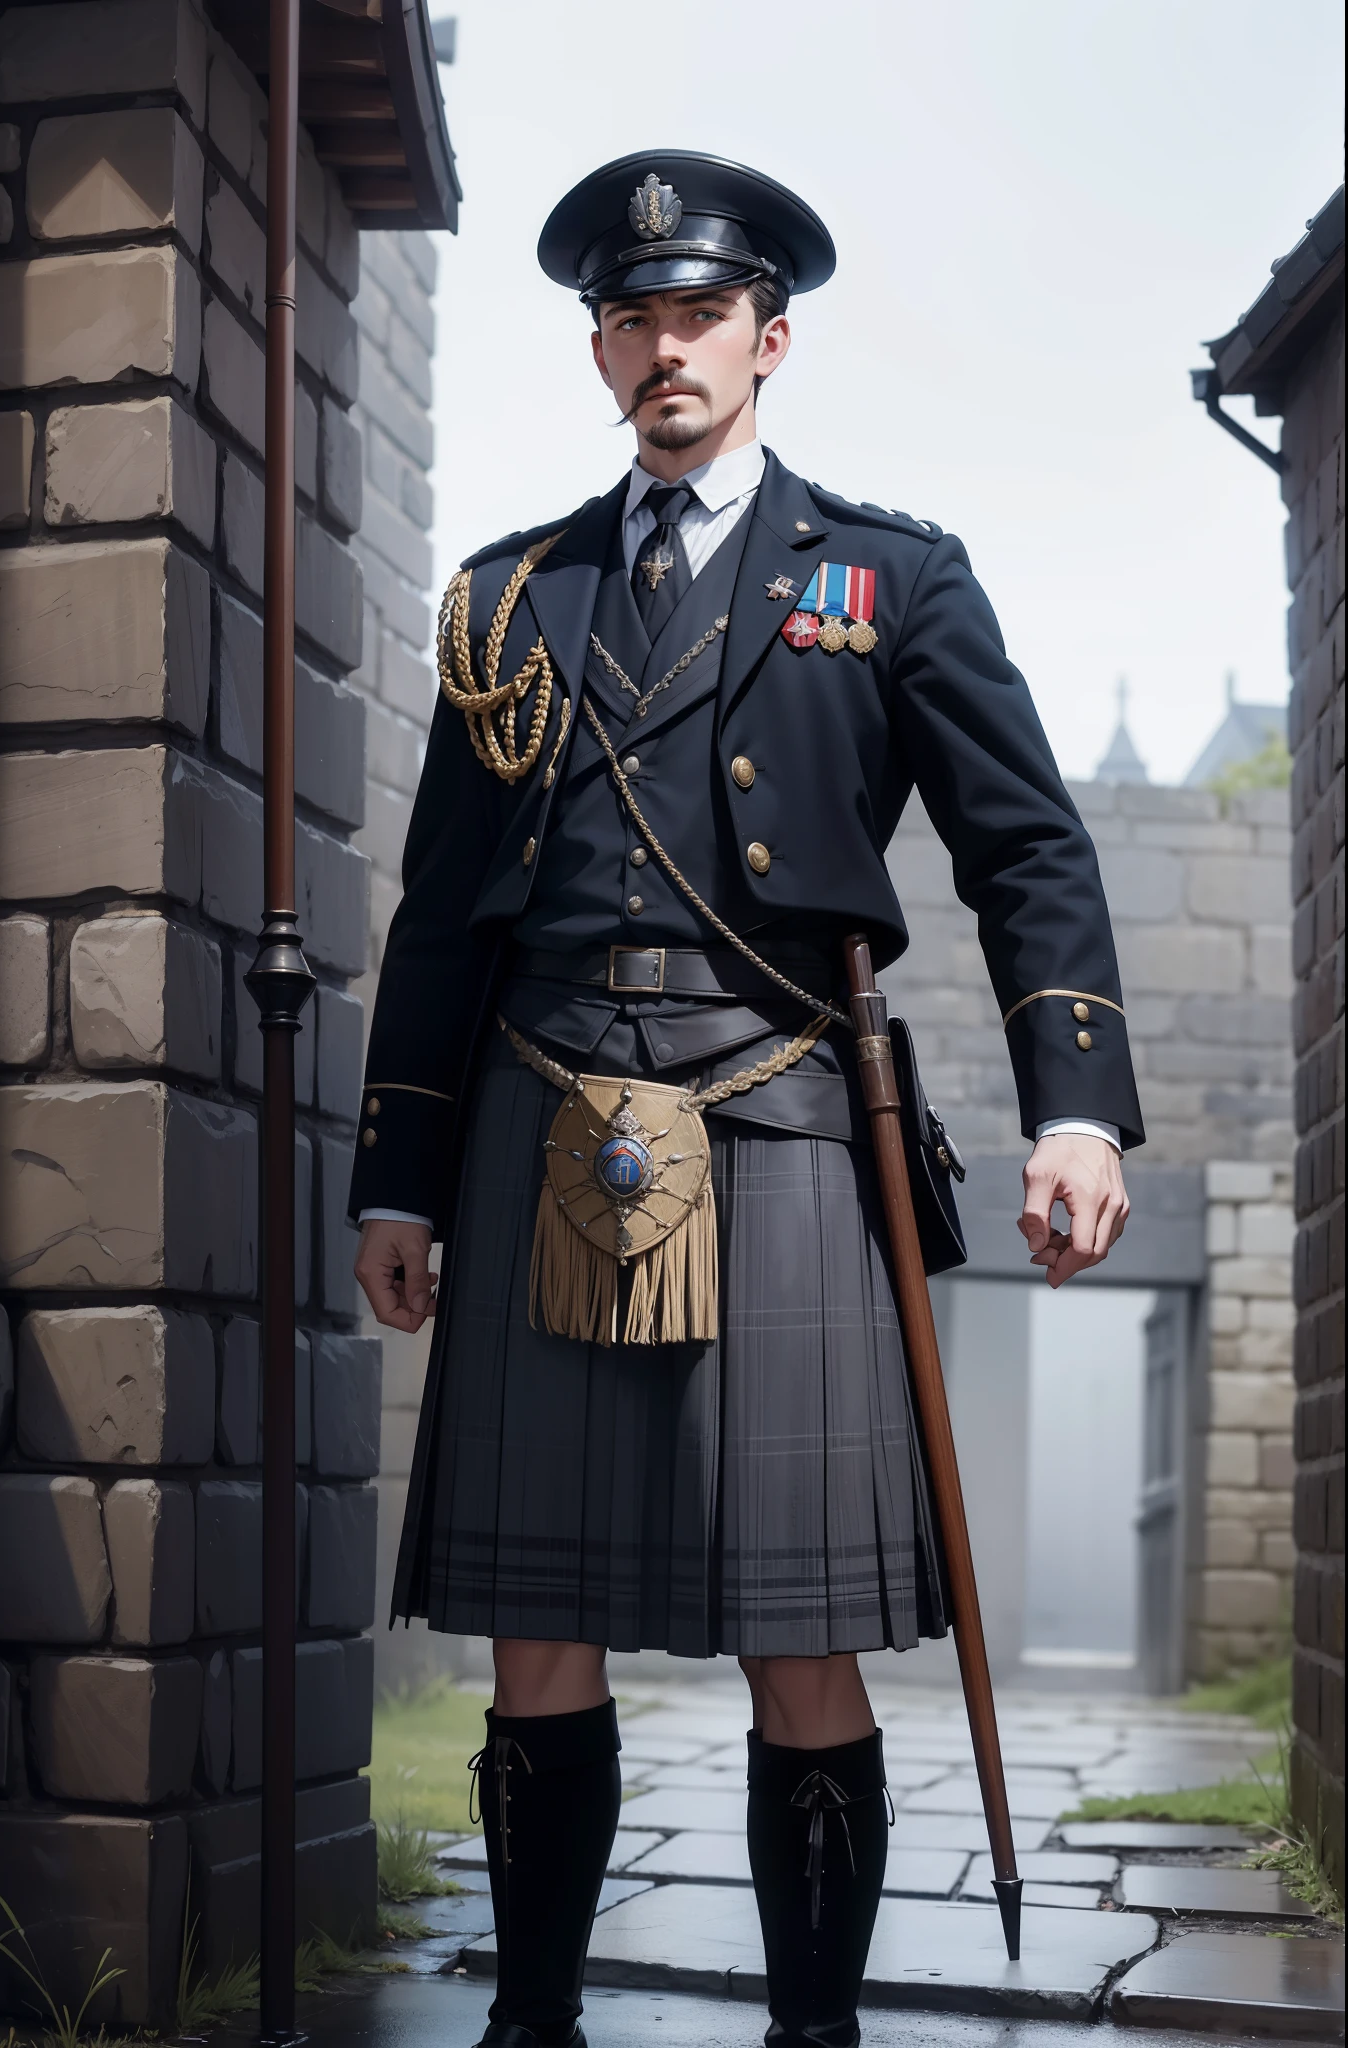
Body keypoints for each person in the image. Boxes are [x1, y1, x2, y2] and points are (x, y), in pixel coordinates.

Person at [351, 151, 1144, 2048]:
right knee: (534, 1628)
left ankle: (810, 2034)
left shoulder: (889, 581)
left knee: (804, 1628)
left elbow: (1027, 850)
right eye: (628, 318)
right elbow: (442, 909)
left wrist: (1079, 1108)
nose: (660, 346)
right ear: (602, 353)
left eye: (697, 312)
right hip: (543, 1126)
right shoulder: (507, 597)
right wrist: (397, 1172)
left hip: (787, 1121)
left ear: (769, 339)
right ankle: (529, 2024)